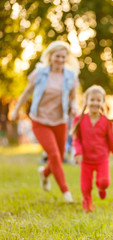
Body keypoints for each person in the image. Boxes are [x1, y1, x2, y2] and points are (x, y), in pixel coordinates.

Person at [11, 40, 80, 202]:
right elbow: (26, 92)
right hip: (40, 120)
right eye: (57, 56)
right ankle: (66, 193)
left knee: (60, 156)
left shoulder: (70, 75)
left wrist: (75, 107)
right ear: (50, 56)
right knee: (54, 155)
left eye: (63, 57)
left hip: (60, 121)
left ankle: (44, 173)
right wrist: (15, 110)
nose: (60, 60)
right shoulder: (40, 72)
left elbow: (74, 97)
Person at [71, 85, 113, 213]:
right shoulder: (79, 120)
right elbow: (76, 139)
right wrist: (78, 152)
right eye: (92, 100)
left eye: (98, 100)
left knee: (104, 182)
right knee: (86, 187)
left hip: (101, 159)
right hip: (86, 160)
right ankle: (87, 204)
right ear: (86, 101)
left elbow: (111, 140)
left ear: (102, 102)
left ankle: (101, 189)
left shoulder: (106, 121)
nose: (95, 103)